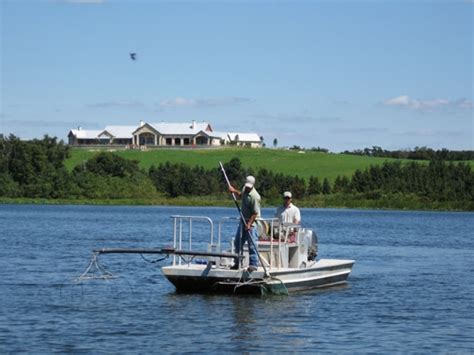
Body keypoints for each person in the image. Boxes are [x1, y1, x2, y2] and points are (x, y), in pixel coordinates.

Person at [228, 175, 261, 272]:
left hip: (252, 223)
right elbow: (241, 195)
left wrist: (249, 224)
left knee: (252, 244)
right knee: (237, 242)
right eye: (246, 186)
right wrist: (234, 191)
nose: (247, 188)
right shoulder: (244, 189)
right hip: (243, 221)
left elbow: (255, 213)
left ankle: (254, 264)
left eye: (249, 187)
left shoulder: (255, 197)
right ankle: (237, 262)